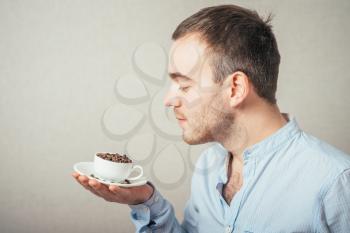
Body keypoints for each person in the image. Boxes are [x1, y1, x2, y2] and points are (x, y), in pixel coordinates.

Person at [72, 4, 350, 233]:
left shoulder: (335, 182)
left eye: (184, 84)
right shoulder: (210, 165)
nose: (168, 100)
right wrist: (145, 200)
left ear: (235, 88)